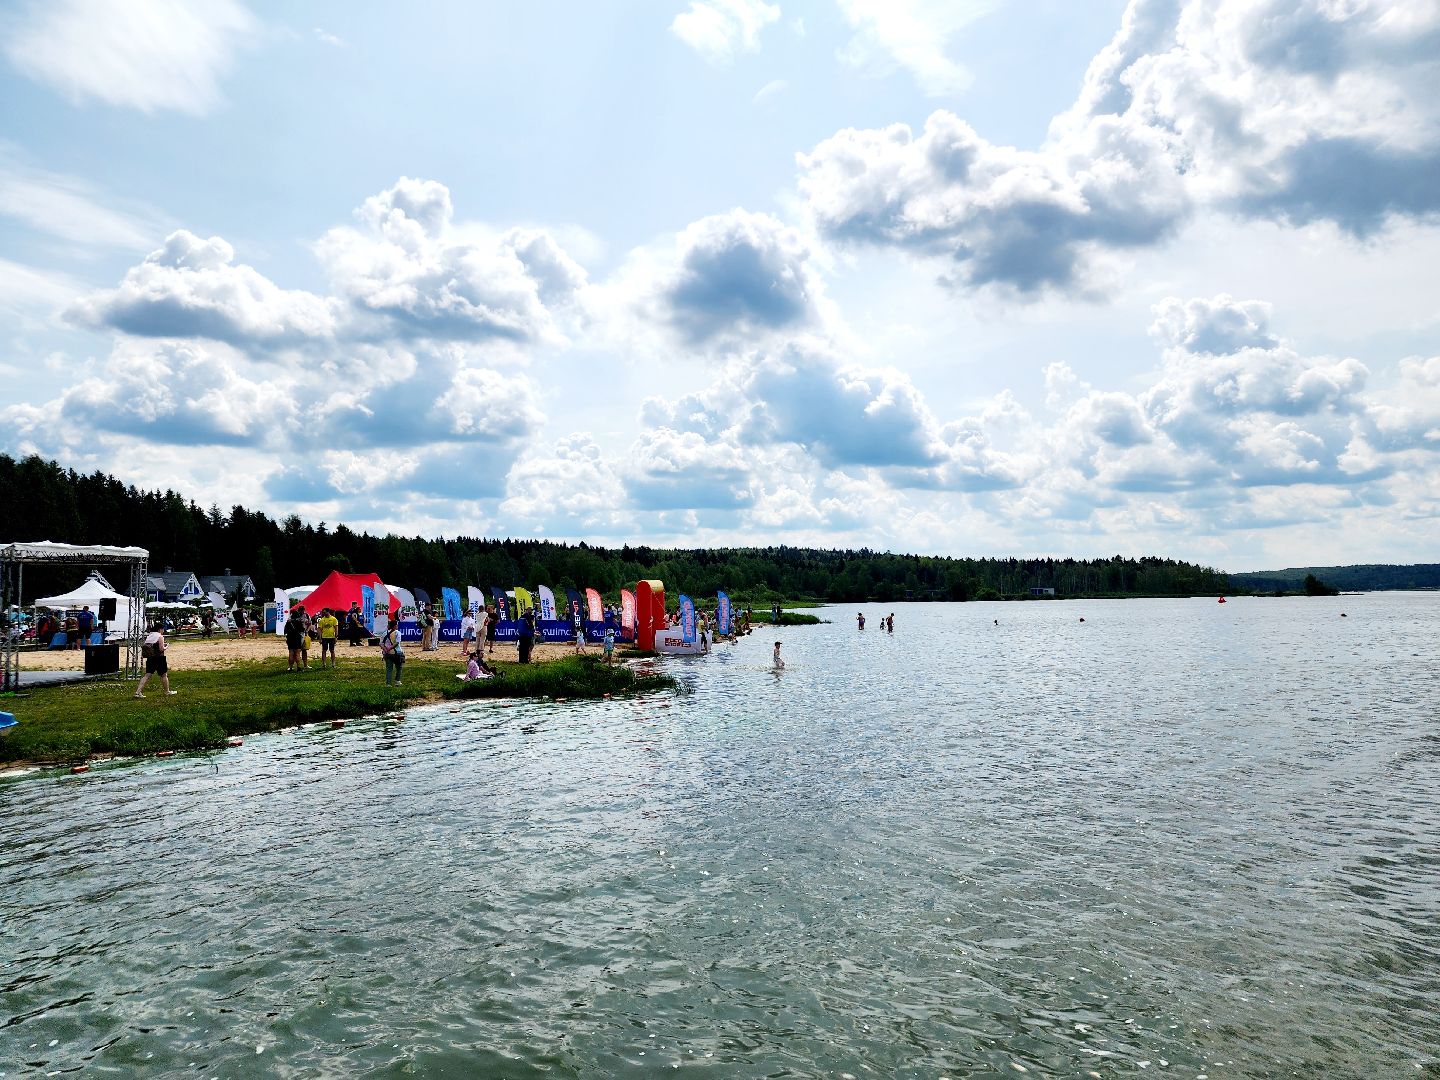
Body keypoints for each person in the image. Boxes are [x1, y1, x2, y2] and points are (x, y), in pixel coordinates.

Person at [133, 621, 178, 698]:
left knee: (147, 675)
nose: (163, 631)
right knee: (164, 675)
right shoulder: (160, 637)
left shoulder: (150, 636)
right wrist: (166, 646)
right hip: (159, 658)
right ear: (160, 629)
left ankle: (138, 692)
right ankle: (167, 691)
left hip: (150, 658)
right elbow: (161, 649)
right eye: (163, 629)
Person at [380, 616, 405, 685]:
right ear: (395, 626)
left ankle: (388, 683)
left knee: (389, 669)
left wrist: (386, 649)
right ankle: (397, 681)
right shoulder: (397, 633)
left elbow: (381, 644)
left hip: (387, 654)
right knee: (399, 667)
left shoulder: (384, 633)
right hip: (397, 653)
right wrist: (390, 648)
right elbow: (397, 643)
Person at [284, 607, 306, 671]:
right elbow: (303, 629)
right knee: (297, 653)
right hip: (297, 638)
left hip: (290, 638)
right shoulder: (299, 621)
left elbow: (285, 630)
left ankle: (290, 667)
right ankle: (298, 667)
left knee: (291, 653)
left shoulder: (288, 621)